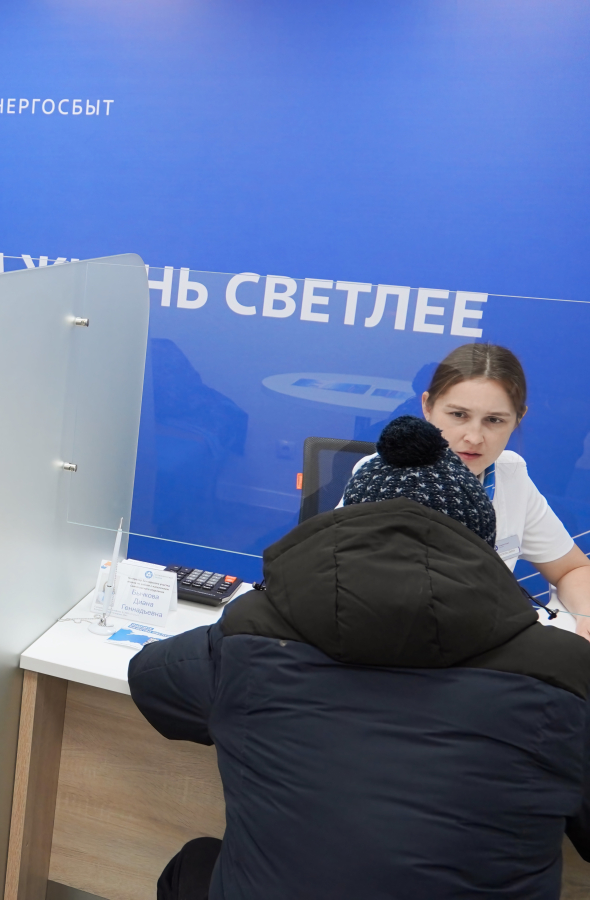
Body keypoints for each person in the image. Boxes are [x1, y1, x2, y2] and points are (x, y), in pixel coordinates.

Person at [132, 415, 590, 900]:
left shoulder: (252, 631)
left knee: (196, 864)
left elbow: (150, 681)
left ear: (345, 525)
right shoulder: (561, 670)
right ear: (481, 545)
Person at [346, 343, 590, 638]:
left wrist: (586, 617)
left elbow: (571, 569)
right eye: (459, 415)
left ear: (519, 419)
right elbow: (350, 590)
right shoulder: (380, 476)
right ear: (427, 407)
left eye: (494, 420)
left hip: (485, 643)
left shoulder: (510, 473)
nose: (474, 437)